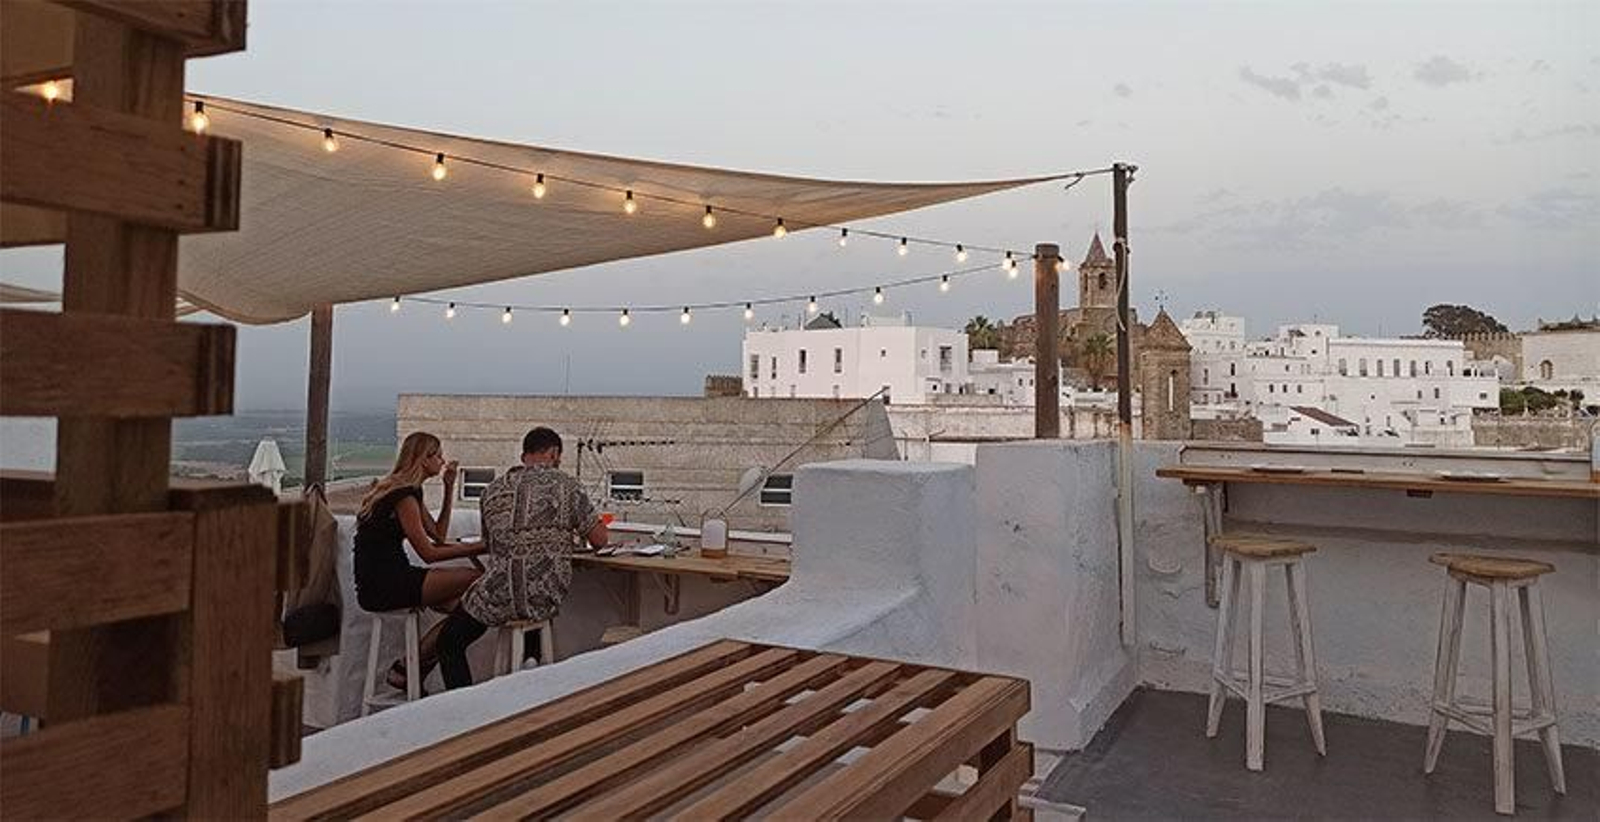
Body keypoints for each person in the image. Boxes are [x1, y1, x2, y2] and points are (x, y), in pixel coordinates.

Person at [433, 426, 607, 689]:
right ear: (554, 453)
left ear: (524, 454)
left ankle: (464, 711)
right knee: (534, 608)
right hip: (546, 593)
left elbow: (491, 544)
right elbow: (599, 541)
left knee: (448, 641)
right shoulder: (567, 485)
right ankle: (531, 671)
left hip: (499, 595)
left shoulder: (491, 490)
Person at [353, 431, 483, 691]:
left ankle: (410, 670)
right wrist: (481, 546)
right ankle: (409, 667)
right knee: (479, 582)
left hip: (382, 580)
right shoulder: (404, 496)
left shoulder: (407, 490)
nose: (442, 460)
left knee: (471, 610)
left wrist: (449, 488)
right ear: (424, 459)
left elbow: (438, 534)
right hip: (386, 582)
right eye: (438, 455)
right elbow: (429, 552)